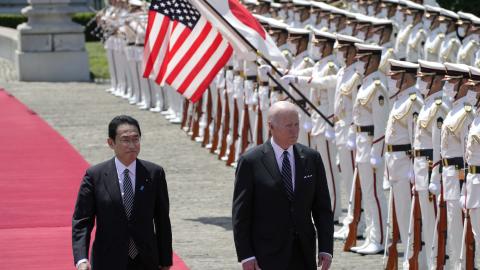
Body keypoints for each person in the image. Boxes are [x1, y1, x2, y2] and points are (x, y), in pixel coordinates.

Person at [232, 101, 334, 270]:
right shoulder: (251, 161)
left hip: (304, 253)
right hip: (267, 255)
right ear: (270, 127)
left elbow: (322, 209)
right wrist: (246, 255)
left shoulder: (311, 158)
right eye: (288, 126)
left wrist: (326, 248)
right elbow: (241, 215)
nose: (294, 131)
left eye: (296, 124)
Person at [72, 115, 172, 270]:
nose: (132, 145)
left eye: (136, 139)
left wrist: (165, 260)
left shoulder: (154, 173)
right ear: (111, 143)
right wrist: (81, 259)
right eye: (125, 140)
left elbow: (162, 220)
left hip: (146, 259)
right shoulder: (95, 176)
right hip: (108, 259)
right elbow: (82, 221)